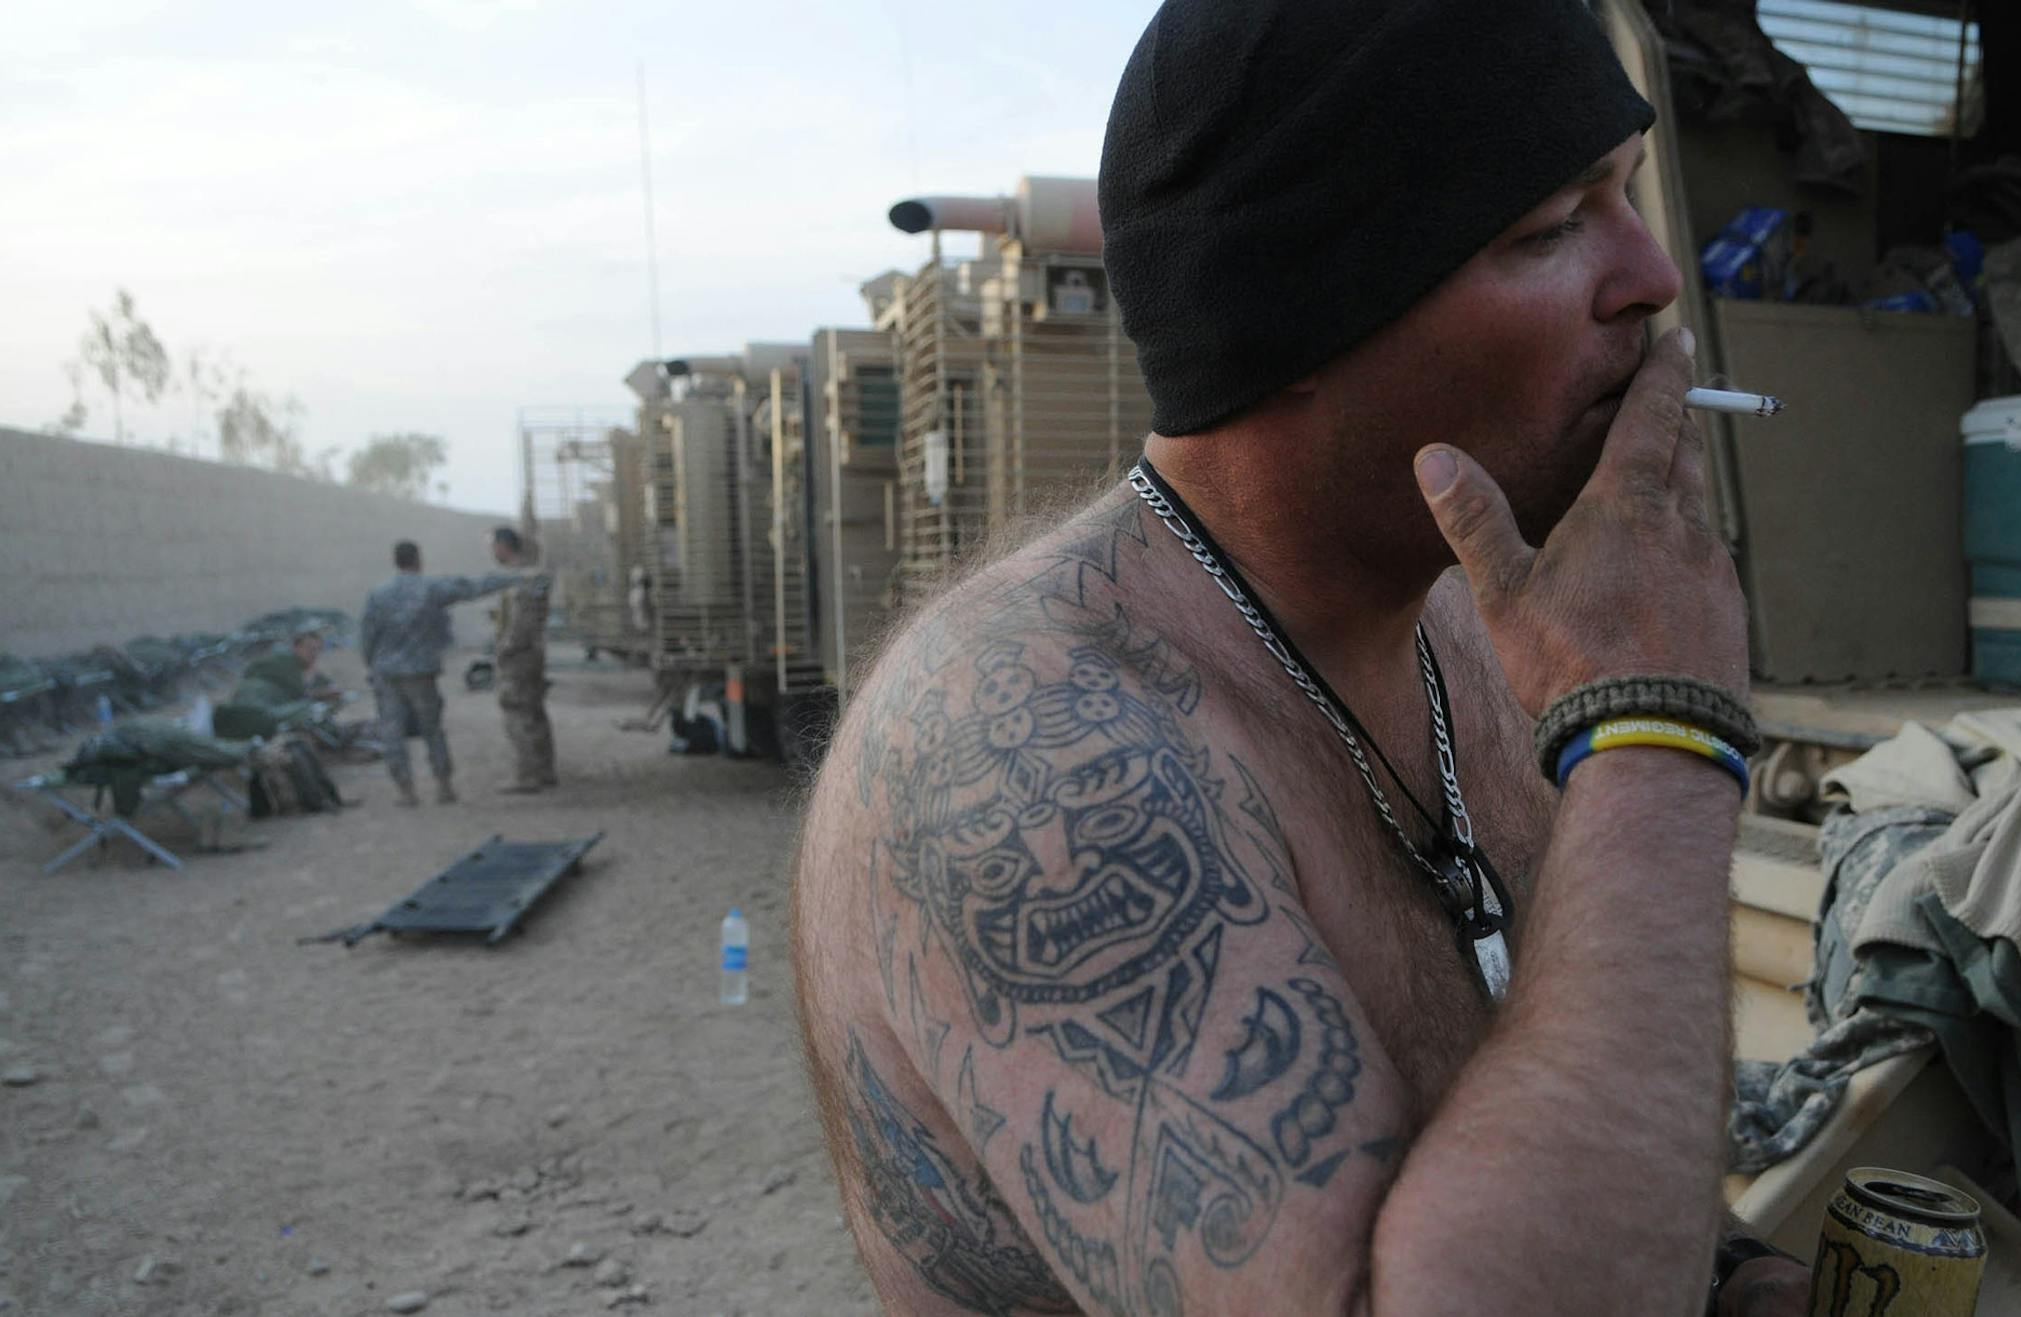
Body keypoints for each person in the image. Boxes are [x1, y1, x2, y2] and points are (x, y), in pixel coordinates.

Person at [792, 3, 1813, 1314]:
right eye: (1549, 229)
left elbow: (1557, 1081)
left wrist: (1730, 1273)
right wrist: (1660, 741)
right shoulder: (1032, 758)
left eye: (1624, 192)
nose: (1650, 276)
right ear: (1298, 318)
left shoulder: (1471, 625)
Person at [359, 540, 523, 807]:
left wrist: (371, 664)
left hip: (386, 671)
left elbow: (367, 635)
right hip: (421, 671)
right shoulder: (431, 588)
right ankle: (443, 786)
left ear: (395, 561)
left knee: (392, 730)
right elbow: (471, 588)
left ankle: (406, 791)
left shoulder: (378, 594)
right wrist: (515, 578)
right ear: (418, 560)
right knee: (432, 729)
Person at [487, 526, 556, 793]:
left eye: (494, 546)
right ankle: (544, 769)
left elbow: (522, 624)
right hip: (531, 653)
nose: (492, 552)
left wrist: (506, 648)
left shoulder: (522, 579)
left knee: (516, 712)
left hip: (519, 656)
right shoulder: (531, 575)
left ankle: (528, 775)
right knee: (534, 712)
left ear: (504, 546)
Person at [211, 629, 338, 740]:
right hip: (256, 699)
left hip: (266, 704)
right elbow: (300, 691)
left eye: (318, 649)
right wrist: (319, 692)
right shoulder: (284, 661)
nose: (314, 653)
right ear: (296, 647)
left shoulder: (303, 669)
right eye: (310, 648)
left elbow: (327, 688)